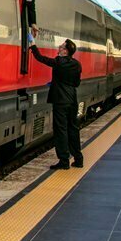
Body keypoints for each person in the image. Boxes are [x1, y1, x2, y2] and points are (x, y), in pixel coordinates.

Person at [30, 38, 83, 170]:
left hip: (60, 101)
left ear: (65, 51)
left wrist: (33, 45)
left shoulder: (59, 62)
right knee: (73, 129)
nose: (59, 47)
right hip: (72, 100)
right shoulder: (77, 64)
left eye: (61, 46)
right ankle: (78, 158)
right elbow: (76, 83)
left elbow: (41, 58)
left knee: (61, 130)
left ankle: (64, 161)